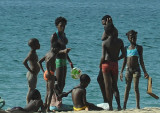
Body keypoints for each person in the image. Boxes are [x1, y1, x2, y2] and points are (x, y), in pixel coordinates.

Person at [120, 30, 149, 110]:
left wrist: (145, 72)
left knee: (136, 88)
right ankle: (124, 106)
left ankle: (137, 106)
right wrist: (121, 71)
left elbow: (141, 60)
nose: (133, 39)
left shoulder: (139, 48)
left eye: (135, 37)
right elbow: (125, 61)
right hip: (128, 70)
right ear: (128, 38)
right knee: (127, 87)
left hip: (136, 70)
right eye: (131, 38)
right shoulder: (126, 48)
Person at [100, 23, 125, 110]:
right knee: (115, 86)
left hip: (106, 64)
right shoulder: (120, 41)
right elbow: (124, 54)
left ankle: (110, 106)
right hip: (115, 64)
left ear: (106, 33)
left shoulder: (105, 43)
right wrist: (117, 59)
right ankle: (119, 106)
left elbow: (103, 57)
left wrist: (100, 64)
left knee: (107, 86)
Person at [38, 43, 70, 111]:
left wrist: (44, 71)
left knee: (47, 91)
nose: (58, 51)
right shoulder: (53, 55)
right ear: (55, 48)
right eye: (58, 49)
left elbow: (39, 62)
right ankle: (47, 109)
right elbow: (47, 62)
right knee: (51, 92)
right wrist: (50, 73)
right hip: (50, 73)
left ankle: (45, 106)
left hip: (46, 73)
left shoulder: (48, 53)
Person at [97, 15, 118, 103]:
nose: (103, 26)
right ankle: (106, 99)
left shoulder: (112, 30)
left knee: (110, 83)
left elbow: (102, 38)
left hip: (107, 61)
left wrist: (108, 25)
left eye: (104, 23)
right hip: (110, 60)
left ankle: (108, 101)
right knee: (101, 80)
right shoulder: (111, 30)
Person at [50, 17, 73, 93]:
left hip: (64, 59)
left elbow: (64, 48)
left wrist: (69, 61)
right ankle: (55, 101)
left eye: (64, 25)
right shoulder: (54, 36)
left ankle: (59, 100)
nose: (63, 27)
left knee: (63, 82)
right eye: (61, 25)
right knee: (58, 82)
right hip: (58, 60)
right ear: (57, 25)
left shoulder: (63, 34)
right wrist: (63, 51)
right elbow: (52, 51)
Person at [23, 38, 40, 104]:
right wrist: (31, 70)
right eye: (38, 44)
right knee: (30, 91)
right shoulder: (31, 53)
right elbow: (24, 62)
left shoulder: (34, 52)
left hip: (34, 74)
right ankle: (28, 104)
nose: (39, 45)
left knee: (32, 90)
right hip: (32, 75)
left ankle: (29, 104)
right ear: (34, 46)